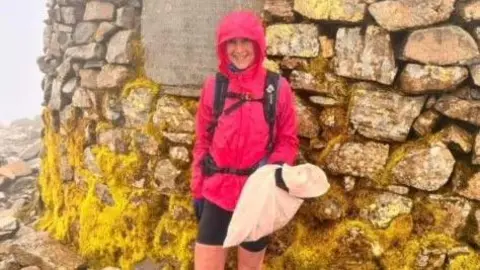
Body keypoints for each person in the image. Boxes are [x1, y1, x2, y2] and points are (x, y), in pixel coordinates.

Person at [190, 10, 299, 270]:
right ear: (223, 46)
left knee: (250, 267)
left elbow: (288, 140)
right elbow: (202, 141)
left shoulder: (277, 88)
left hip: (256, 197)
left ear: (257, 44)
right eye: (232, 42)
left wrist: (271, 171)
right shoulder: (213, 87)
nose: (239, 49)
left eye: (245, 41)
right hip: (217, 192)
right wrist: (198, 188)